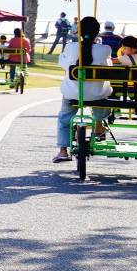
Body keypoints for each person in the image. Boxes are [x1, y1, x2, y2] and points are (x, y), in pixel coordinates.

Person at [57, 15, 114, 162]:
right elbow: (109, 68)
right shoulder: (105, 49)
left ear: (80, 31)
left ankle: (63, 151)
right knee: (104, 94)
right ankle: (99, 123)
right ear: (97, 32)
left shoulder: (70, 47)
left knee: (64, 119)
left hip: (72, 94)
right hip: (97, 95)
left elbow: (63, 64)